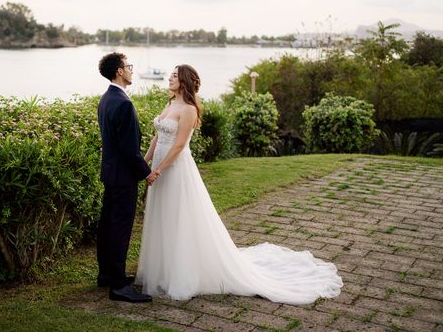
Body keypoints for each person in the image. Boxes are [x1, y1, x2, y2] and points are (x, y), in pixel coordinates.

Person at [135, 64, 343, 305]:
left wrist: (159, 170)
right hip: (159, 168)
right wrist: (145, 163)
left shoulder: (189, 109)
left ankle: (181, 272)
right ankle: (162, 269)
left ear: (184, 81)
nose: (169, 78)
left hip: (176, 170)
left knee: (179, 217)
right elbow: (158, 137)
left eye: (174, 75)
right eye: (169, 75)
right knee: (163, 216)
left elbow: (179, 145)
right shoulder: (171, 104)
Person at [97, 52, 159, 303]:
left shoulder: (106, 98)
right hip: (123, 176)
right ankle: (118, 286)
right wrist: (146, 173)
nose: (131, 70)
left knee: (107, 226)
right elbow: (130, 149)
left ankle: (107, 276)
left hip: (110, 173)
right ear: (119, 72)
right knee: (120, 229)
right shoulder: (123, 103)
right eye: (128, 66)